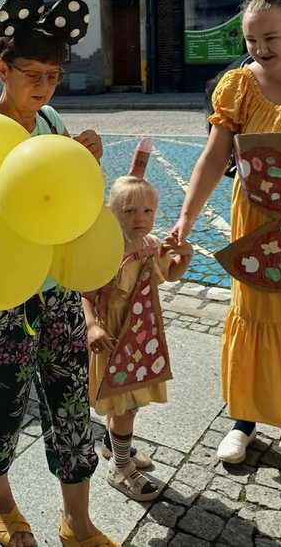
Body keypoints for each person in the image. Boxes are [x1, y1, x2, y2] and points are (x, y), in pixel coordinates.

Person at [0, 0, 118, 547]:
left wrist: (83, 161)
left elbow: (67, 207)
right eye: (32, 73)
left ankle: (76, 521)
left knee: (71, 401)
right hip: (2, 292)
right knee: (0, 400)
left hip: (55, 293)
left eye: (53, 75)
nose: (43, 87)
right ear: (2, 68)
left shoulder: (51, 118)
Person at [171, 0, 281, 470]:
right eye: (251, 40)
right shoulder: (239, 85)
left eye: (271, 38)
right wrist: (184, 219)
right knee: (256, 315)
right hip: (258, 228)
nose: (259, 49)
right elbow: (212, 156)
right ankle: (244, 418)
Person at [83, 140, 191, 502]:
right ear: (114, 213)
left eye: (147, 210)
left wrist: (182, 257)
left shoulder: (150, 245)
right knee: (124, 403)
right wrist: (92, 325)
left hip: (142, 332)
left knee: (129, 401)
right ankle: (121, 467)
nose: (140, 218)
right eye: (130, 211)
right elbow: (86, 290)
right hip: (113, 332)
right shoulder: (107, 249)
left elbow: (168, 274)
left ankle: (116, 449)